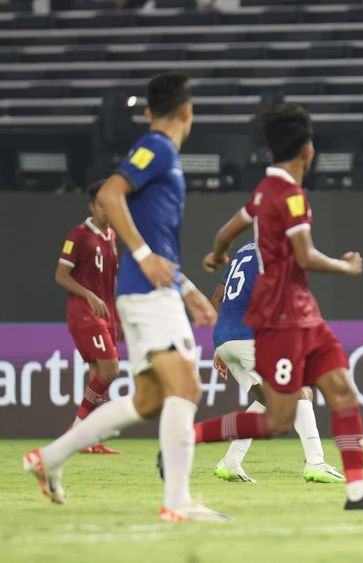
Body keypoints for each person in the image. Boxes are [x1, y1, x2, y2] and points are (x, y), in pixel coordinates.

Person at [23, 71, 228, 521]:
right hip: (146, 293)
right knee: (187, 386)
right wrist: (140, 254)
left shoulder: (163, 154)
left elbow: (159, 244)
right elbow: (113, 192)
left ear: (152, 110)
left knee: (148, 400)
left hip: (152, 291)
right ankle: (177, 502)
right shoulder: (156, 148)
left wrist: (188, 289)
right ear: (188, 112)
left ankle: (50, 458)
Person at [195, 103, 363, 510]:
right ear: (307, 151)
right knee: (290, 405)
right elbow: (304, 256)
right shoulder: (291, 196)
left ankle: (357, 492)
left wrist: (217, 255)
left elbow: (224, 233)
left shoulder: (261, 192)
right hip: (279, 320)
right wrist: (346, 265)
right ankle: (194, 439)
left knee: (335, 389)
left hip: (287, 319)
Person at [209, 240, 345, 484]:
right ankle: (316, 463)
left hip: (225, 339)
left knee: (268, 400)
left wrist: (221, 346)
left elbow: (218, 297)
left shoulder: (244, 250)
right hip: (251, 337)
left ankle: (230, 461)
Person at [55, 181, 122, 454]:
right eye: (101, 205)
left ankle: (89, 440)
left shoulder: (111, 236)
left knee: (98, 374)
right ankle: (77, 429)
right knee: (111, 370)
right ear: (92, 206)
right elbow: (60, 275)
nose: (106, 211)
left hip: (106, 314)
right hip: (84, 313)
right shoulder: (79, 235)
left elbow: (111, 280)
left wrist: (117, 313)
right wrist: (90, 296)